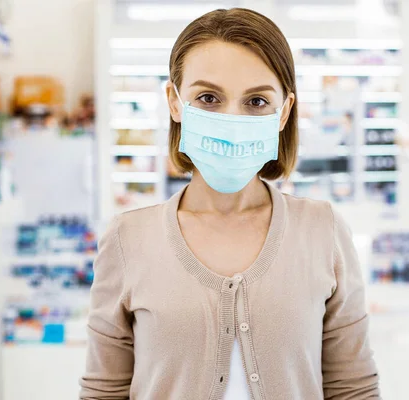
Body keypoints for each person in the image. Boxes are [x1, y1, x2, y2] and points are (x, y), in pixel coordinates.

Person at [80, 8, 380, 400]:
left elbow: (352, 387)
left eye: (256, 101)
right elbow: (104, 391)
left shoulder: (322, 230)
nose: (231, 118)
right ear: (174, 102)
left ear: (284, 112)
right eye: (208, 98)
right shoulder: (128, 238)